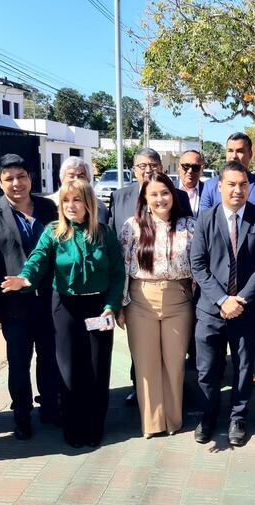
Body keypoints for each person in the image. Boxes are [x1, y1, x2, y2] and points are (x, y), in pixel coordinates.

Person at [1, 179, 125, 448]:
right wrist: (25, 279)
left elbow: (117, 274)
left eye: (77, 200)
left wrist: (111, 306)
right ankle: (73, 427)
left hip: (98, 308)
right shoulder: (54, 232)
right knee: (69, 371)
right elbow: (38, 259)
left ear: (88, 203)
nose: (71, 206)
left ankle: (94, 428)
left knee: (96, 369)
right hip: (65, 307)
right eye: (66, 201)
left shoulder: (104, 233)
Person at [0, 154, 60, 440]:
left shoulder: (48, 208)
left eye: (21, 176)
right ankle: (21, 415)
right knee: (19, 363)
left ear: (30, 178)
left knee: (50, 358)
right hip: (13, 307)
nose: (16, 183)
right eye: (8, 178)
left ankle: (49, 406)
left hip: (49, 301)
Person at [190, 160, 255, 446]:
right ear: (219, 186)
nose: (238, 190)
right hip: (211, 310)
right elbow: (198, 264)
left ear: (249, 187)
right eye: (232, 184)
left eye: (243, 184)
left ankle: (238, 417)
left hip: (245, 310)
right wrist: (222, 299)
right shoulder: (205, 219)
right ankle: (208, 415)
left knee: (243, 366)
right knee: (207, 369)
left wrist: (242, 300)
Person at [109, 148, 192, 407]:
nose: (148, 170)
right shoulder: (120, 200)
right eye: (142, 165)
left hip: (177, 295)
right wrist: (119, 302)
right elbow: (118, 254)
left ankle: (173, 406)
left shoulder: (181, 206)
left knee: (173, 357)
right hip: (139, 295)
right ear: (134, 169)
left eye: (153, 165)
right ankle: (144, 401)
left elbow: (193, 252)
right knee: (144, 358)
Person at [199, 133, 255, 211]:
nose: (234, 156)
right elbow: (204, 220)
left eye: (240, 151)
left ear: (250, 154)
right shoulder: (210, 186)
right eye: (230, 151)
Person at [50, 156, 109, 224]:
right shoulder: (46, 204)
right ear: (62, 179)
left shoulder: (99, 207)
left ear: (88, 180)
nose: (76, 180)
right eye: (71, 176)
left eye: (81, 176)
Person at [178, 149, 205, 218]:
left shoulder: (207, 191)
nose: (190, 171)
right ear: (179, 167)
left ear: (201, 170)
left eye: (195, 167)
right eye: (186, 166)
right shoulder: (169, 189)